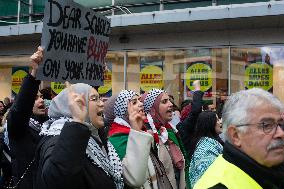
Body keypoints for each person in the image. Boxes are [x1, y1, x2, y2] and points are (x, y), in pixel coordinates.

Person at [36, 82, 124, 189]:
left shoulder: (96, 136)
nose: (102, 104)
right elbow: (57, 181)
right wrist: (77, 122)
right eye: (94, 99)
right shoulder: (57, 140)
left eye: (100, 98)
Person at [194, 88, 284, 189]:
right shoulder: (219, 185)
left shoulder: (269, 168)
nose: (280, 133)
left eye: (281, 124)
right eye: (266, 125)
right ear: (236, 135)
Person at [5, 46, 48, 189]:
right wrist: (34, 73)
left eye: (42, 97)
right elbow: (20, 110)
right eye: (35, 98)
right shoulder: (18, 128)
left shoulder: (48, 126)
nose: (41, 100)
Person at [107, 90, 155, 188]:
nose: (141, 104)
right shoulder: (117, 138)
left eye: (140, 100)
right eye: (134, 102)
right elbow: (134, 178)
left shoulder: (139, 130)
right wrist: (137, 132)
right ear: (123, 110)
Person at [143, 88, 187, 189]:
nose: (171, 104)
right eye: (164, 101)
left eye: (169, 100)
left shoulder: (170, 131)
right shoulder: (144, 134)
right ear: (153, 109)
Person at [188, 111, 223, 187]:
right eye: (217, 120)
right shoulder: (205, 150)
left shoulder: (212, 143)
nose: (220, 122)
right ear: (209, 124)